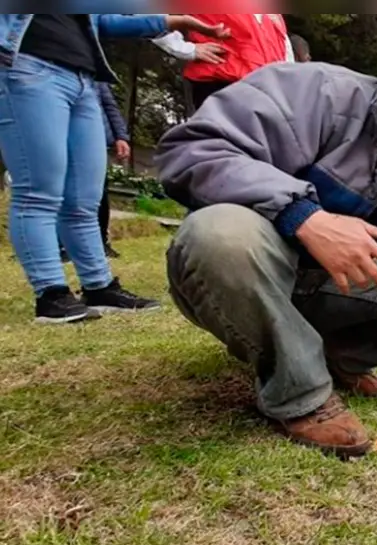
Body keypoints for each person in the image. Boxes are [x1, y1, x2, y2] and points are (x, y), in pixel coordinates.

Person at [154, 14, 377, 459]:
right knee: (220, 236)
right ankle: (302, 395)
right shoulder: (320, 91)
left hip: (319, 288)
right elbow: (190, 149)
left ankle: (331, 359)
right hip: (246, 265)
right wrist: (305, 217)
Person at [0, 14, 227, 324]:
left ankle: (99, 287)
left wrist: (173, 21)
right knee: (38, 191)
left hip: (84, 80)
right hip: (28, 69)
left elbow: (104, 20)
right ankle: (51, 293)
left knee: (84, 199)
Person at [59, 82, 131, 262]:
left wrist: (121, 136)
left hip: (94, 137)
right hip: (60, 134)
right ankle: (60, 245)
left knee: (98, 192)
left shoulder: (95, 75)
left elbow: (109, 105)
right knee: (58, 190)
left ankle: (100, 243)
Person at [166, 13, 296, 113]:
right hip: (222, 83)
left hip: (270, 92)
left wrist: (289, 86)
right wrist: (186, 49)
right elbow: (154, 18)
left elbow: (282, 42)